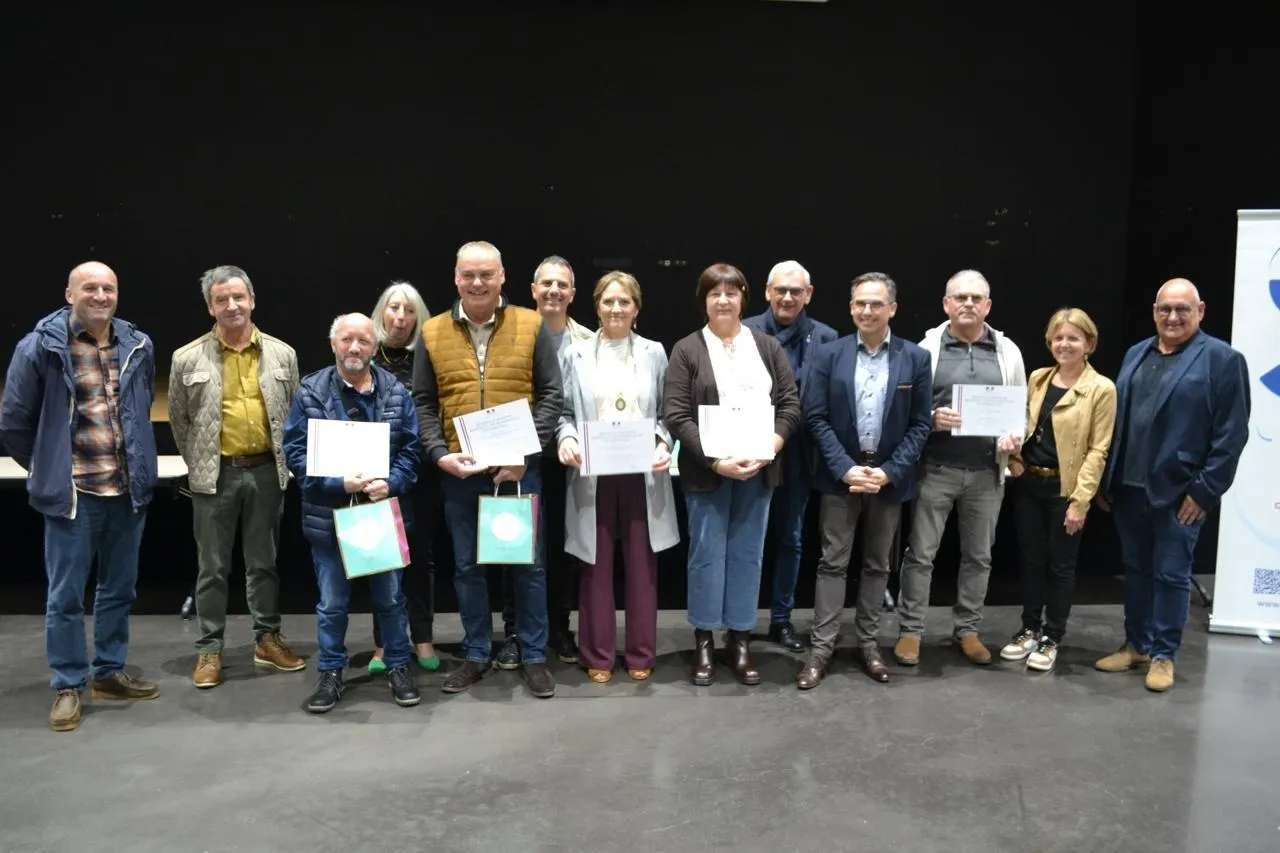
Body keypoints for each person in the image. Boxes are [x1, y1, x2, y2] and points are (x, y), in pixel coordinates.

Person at [1, 261, 160, 731]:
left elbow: (138, 410)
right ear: (70, 294)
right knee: (66, 596)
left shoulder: (138, 344)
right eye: (90, 287)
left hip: (125, 491)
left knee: (119, 589)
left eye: (108, 288)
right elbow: (14, 422)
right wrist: (48, 466)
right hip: (74, 494)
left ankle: (108, 672)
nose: (100, 296)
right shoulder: (40, 347)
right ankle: (68, 683)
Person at [414, 241, 564, 699]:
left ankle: (533, 655)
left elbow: (551, 395)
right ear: (456, 278)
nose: (477, 283)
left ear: (502, 277)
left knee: (529, 569)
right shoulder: (432, 331)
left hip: (519, 471)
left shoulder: (531, 324)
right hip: (461, 474)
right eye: (468, 275)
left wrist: (524, 455)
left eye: (486, 274)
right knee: (467, 569)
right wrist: (439, 454)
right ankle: (477, 653)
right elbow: (423, 402)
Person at [1094, 278, 1250, 692]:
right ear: (1154, 311)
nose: (1173, 316)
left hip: (1181, 492)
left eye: (1183, 309)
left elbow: (1232, 433)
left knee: (1171, 574)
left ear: (1201, 310)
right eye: (1165, 309)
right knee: (1136, 570)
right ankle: (1137, 646)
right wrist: (1108, 478)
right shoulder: (1136, 353)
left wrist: (1205, 490)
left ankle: (1164, 655)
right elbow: (1120, 419)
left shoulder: (1222, 359)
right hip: (1129, 487)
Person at [663, 263, 802, 686]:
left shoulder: (767, 347)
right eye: (714, 293)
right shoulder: (687, 349)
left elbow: (790, 404)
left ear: (744, 298)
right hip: (708, 472)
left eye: (731, 292)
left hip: (758, 472)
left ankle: (740, 639)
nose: (723, 300)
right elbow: (676, 414)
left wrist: (769, 448)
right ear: (703, 301)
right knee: (706, 555)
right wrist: (715, 460)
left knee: (747, 555)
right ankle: (705, 638)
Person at [169, 264, 304, 689]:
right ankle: (210, 649)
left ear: (252, 300)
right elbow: (179, 422)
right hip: (216, 477)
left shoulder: (282, 354)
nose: (232, 305)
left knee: (264, 564)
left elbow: (294, 414)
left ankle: (267, 639)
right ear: (210, 307)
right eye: (221, 299)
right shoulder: (187, 358)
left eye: (238, 297)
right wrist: (203, 462)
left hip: (266, 473)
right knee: (212, 568)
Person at [282, 313, 422, 713]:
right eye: (347, 340)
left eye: (363, 340)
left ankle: (398, 665)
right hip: (330, 515)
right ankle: (330, 672)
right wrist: (336, 483)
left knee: (391, 599)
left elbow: (411, 451)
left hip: (380, 513)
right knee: (332, 604)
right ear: (333, 344)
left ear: (375, 346)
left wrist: (392, 483)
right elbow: (295, 453)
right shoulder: (310, 391)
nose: (355, 347)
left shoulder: (396, 392)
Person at [798, 272, 932, 688]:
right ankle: (822, 649)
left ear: (893, 308)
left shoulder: (916, 358)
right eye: (860, 303)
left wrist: (890, 472)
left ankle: (869, 644)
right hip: (842, 477)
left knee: (877, 565)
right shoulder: (829, 354)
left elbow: (920, 424)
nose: (867, 310)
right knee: (832, 563)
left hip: (887, 479)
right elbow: (815, 418)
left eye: (876, 304)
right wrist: (845, 468)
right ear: (851, 307)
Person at [894, 269, 1027, 667]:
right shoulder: (926, 349)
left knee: (979, 557)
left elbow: (1020, 409)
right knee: (921, 555)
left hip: (987, 472)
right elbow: (907, 409)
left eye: (976, 298)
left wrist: (1014, 437)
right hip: (935, 469)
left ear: (988, 306)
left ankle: (967, 629)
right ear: (946, 304)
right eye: (960, 297)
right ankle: (910, 631)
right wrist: (931, 419)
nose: (968, 304)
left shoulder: (1008, 351)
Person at [556, 271, 679, 682]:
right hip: (592, 473)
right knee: (595, 566)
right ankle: (598, 654)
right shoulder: (575, 353)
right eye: (608, 301)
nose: (615, 308)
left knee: (643, 567)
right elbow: (564, 413)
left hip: (643, 472)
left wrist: (663, 441)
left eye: (624, 301)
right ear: (596, 306)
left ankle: (642, 653)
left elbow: (668, 412)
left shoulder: (654, 352)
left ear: (636, 308)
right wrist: (567, 439)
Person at [1000, 308, 1117, 672]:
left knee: (1061, 566)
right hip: (1029, 484)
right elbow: (1021, 424)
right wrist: (1013, 459)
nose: (1064, 344)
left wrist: (1081, 502)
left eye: (1073, 338)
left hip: (1065, 489)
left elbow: (1099, 449)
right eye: (1058, 338)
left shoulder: (1101, 389)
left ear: (1089, 344)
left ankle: (1052, 635)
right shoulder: (1038, 378)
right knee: (1031, 561)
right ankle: (1029, 628)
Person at [494, 256, 593, 670]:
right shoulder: (509, 334)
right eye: (546, 284)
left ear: (573, 293)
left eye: (562, 285)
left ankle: (559, 627)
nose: (554, 291)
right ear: (533, 290)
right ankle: (514, 632)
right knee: (517, 546)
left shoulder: (590, 341)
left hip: (570, 461)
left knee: (563, 548)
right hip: (520, 458)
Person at [743, 260, 838, 652]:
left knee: (791, 539)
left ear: (808, 295)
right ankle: (740, 621)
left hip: (799, 454)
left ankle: (781, 620)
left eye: (795, 291)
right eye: (780, 290)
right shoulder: (744, 331)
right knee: (748, 538)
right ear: (767, 291)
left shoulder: (827, 338)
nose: (786, 297)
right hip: (749, 450)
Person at [366, 280, 440, 674]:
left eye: (409, 310)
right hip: (377, 474)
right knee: (382, 559)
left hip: (420, 473)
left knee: (421, 559)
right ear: (382, 312)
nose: (401, 316)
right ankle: (384, 642)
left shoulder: (428, 356)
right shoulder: (365, 355)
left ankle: (423, 637)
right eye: (394, 308)